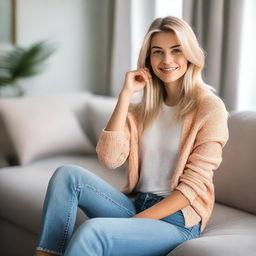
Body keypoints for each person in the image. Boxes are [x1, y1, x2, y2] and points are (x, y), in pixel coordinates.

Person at [35, 16, 229, 256]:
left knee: (92, 231)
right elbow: (110, 159)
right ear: (148, 59)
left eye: (176, 50)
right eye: (157, 52)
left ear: (190, 54)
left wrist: (136, 222)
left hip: (178, 221)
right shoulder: (141, 110)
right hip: (138, 203)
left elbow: (193, 187)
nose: (167, 60)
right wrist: (125, 95)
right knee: (67, 176)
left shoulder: (210, 108)